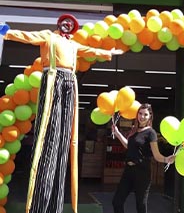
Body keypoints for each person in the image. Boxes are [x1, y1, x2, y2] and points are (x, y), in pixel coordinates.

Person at [1, 14, 123, 213]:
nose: (68, 25)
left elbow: (90, 50)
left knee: (66, 135)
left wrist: (108, 52)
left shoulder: (73, 44)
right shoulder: (48, 36)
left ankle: (56, 203)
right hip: (53, 78)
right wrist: (5, 31)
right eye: (65, 22)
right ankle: (39, 203)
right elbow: (26, 36)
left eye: (71, 24)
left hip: (69, 81)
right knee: (49, 131)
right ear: (59, 25)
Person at [111, 103, 175, 213]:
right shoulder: (134, 130)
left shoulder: (151, 133)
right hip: (128, 171)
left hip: (142, 172)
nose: (142, 116)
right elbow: (128, 145)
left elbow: (156, 155)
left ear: (150, 116)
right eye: (140, 113)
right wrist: (117, 133)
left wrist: (166, 159)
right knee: (117, 201)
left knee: (140, 205)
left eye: (145, 114)